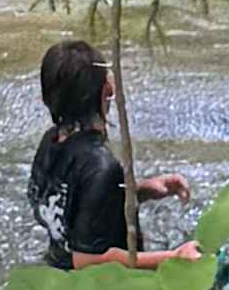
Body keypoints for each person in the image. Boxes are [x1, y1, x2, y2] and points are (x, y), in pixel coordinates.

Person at [28, 37, 191, 265]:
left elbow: (70, 207)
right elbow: (87, 260)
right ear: (107, 91)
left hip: (58, 278)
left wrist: (140, 191)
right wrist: (174, 258)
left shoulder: (52, 141)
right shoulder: (100, 165)